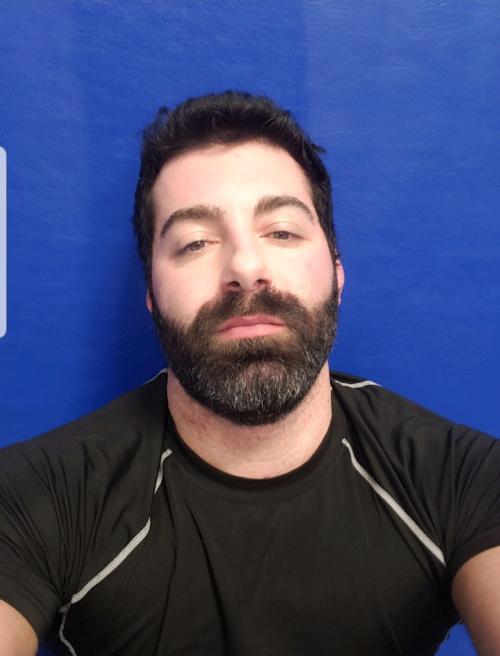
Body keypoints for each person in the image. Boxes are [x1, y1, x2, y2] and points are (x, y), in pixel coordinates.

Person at [0, 91, 499, 656]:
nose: (245, 266)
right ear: (152, 296)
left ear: (337, 273)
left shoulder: (463, 476)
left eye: (281, 231)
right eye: (195, 242)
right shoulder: (38, 496)